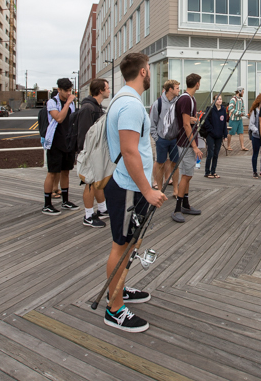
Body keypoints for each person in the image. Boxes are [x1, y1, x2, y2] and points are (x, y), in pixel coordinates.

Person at [103, 53, 167, 332]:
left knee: (132, 244)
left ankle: (120, 288)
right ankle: (114, 309)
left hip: (132, 186)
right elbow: (129, 151)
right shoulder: (130, 105)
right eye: (150, 69)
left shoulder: (122, 99)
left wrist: (149, 184)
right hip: (129, 189)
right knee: (123, 246)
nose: (151, 74)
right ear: (143, 71)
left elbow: (134, 151)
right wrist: (147, 189)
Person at [41, 78, 79, 215]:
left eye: (70, 90)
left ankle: (65, 200)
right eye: (66, 91)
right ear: (59, 90)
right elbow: (59, 118)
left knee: (66, 171)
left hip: (67, 142)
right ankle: (47, 204)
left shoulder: (72, 103)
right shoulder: (53, 102)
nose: (69, 93)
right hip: (55, 142)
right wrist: (68, 103)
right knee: (52, 172)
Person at [77, 78, 111, 228]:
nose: (109, 90)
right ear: (100, 90)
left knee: (97, 180)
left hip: (96, 151)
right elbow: (84, 133)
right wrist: (87, 154)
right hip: (90, 152)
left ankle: (102, 209)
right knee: (89, 182)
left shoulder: (96, 107)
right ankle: (88, 216)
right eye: (107, 88)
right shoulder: (88, 108)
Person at [172, 73, 204, 223]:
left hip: (186, 142)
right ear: (197, 83)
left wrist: (193, 119)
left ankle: (185, 204)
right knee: (186, 175)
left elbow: (186, 120)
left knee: (188, 174)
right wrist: (195, 146)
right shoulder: (186, 99)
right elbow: (185, 124)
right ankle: (177, 209)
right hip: (185, 143)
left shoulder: (190, 99)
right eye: (199, 82)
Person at [149, 79, 181, 199]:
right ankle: (160, 190)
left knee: (175, 164)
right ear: (170, 89)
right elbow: (152, 123)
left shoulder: (178, 102)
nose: (179, 90)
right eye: (177, 88)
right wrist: (157, 139)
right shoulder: (158, 103)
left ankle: (176, 190)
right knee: (160, 164)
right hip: (161, 139)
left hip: (175, 139)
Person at [203, 95, 228, 178]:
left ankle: (213, 171)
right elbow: (206, 122)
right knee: (210, 153)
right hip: (211, 135)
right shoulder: (210, 109)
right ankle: (207, 172)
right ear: (214, 100)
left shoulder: (223, 110)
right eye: (217, 99)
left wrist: (225, 135)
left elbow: (224, 123)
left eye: (220, 99)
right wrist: (211, 130)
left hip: (219, 135)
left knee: (216, 154)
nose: (219, 101)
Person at [249, 91, 261, 178]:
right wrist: (257, 130)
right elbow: (251, 125)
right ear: (260, 100)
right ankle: (254, 171)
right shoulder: (255, 112)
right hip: (256, 136)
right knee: (255, 154)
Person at [226, 87, 248, 152]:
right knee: (231, 133)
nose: (243, 93)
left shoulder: (241, 100)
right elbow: (230, 108)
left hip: (239, 119)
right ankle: (228, 146)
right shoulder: (233, 99)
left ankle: (242, 146)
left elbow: (243, 108)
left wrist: (243, 113)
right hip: (233, 119)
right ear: (239, 91)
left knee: (241, 132)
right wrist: (239, 113)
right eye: (243, 92)